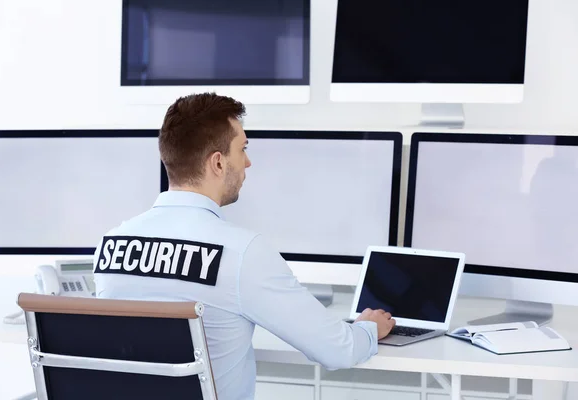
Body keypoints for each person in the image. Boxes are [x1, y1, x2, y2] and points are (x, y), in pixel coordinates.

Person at [93, 92, 396, 400]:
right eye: (243, 148)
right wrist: (367, 328)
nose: (248, 162)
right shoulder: (242, 253)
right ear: (218, 162)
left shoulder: (111, 244)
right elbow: (338, 351)